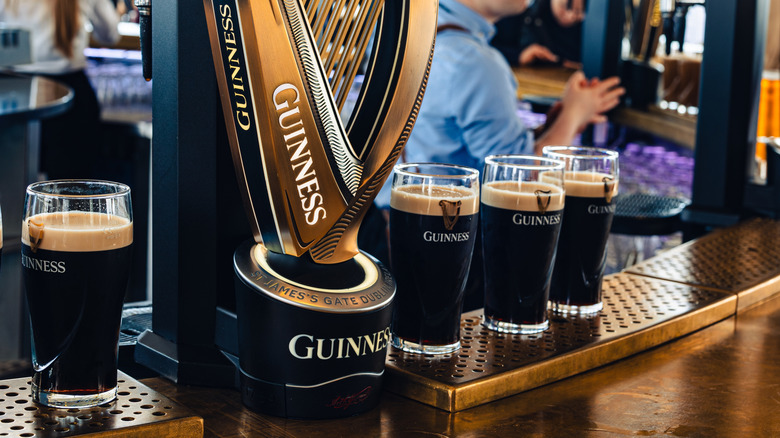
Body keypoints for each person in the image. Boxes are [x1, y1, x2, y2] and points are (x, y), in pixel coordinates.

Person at [359, 0, 623, 307]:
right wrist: (574, 117)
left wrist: (553, 123)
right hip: (447, 244)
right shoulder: (474, 61)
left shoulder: (409, 35)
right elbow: (523, 182)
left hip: (381, 230)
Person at [0, 0, 121, 179]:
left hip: (14, 95)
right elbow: (110, 34)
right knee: (69, 189)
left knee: (12, 182)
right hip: (69, 98)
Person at [492, 0, 585, 68]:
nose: (571, 16)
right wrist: (519, 55)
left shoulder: (590, 27)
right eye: (565, 6)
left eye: (580, 11)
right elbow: (486, 46)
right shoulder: (521, 12)